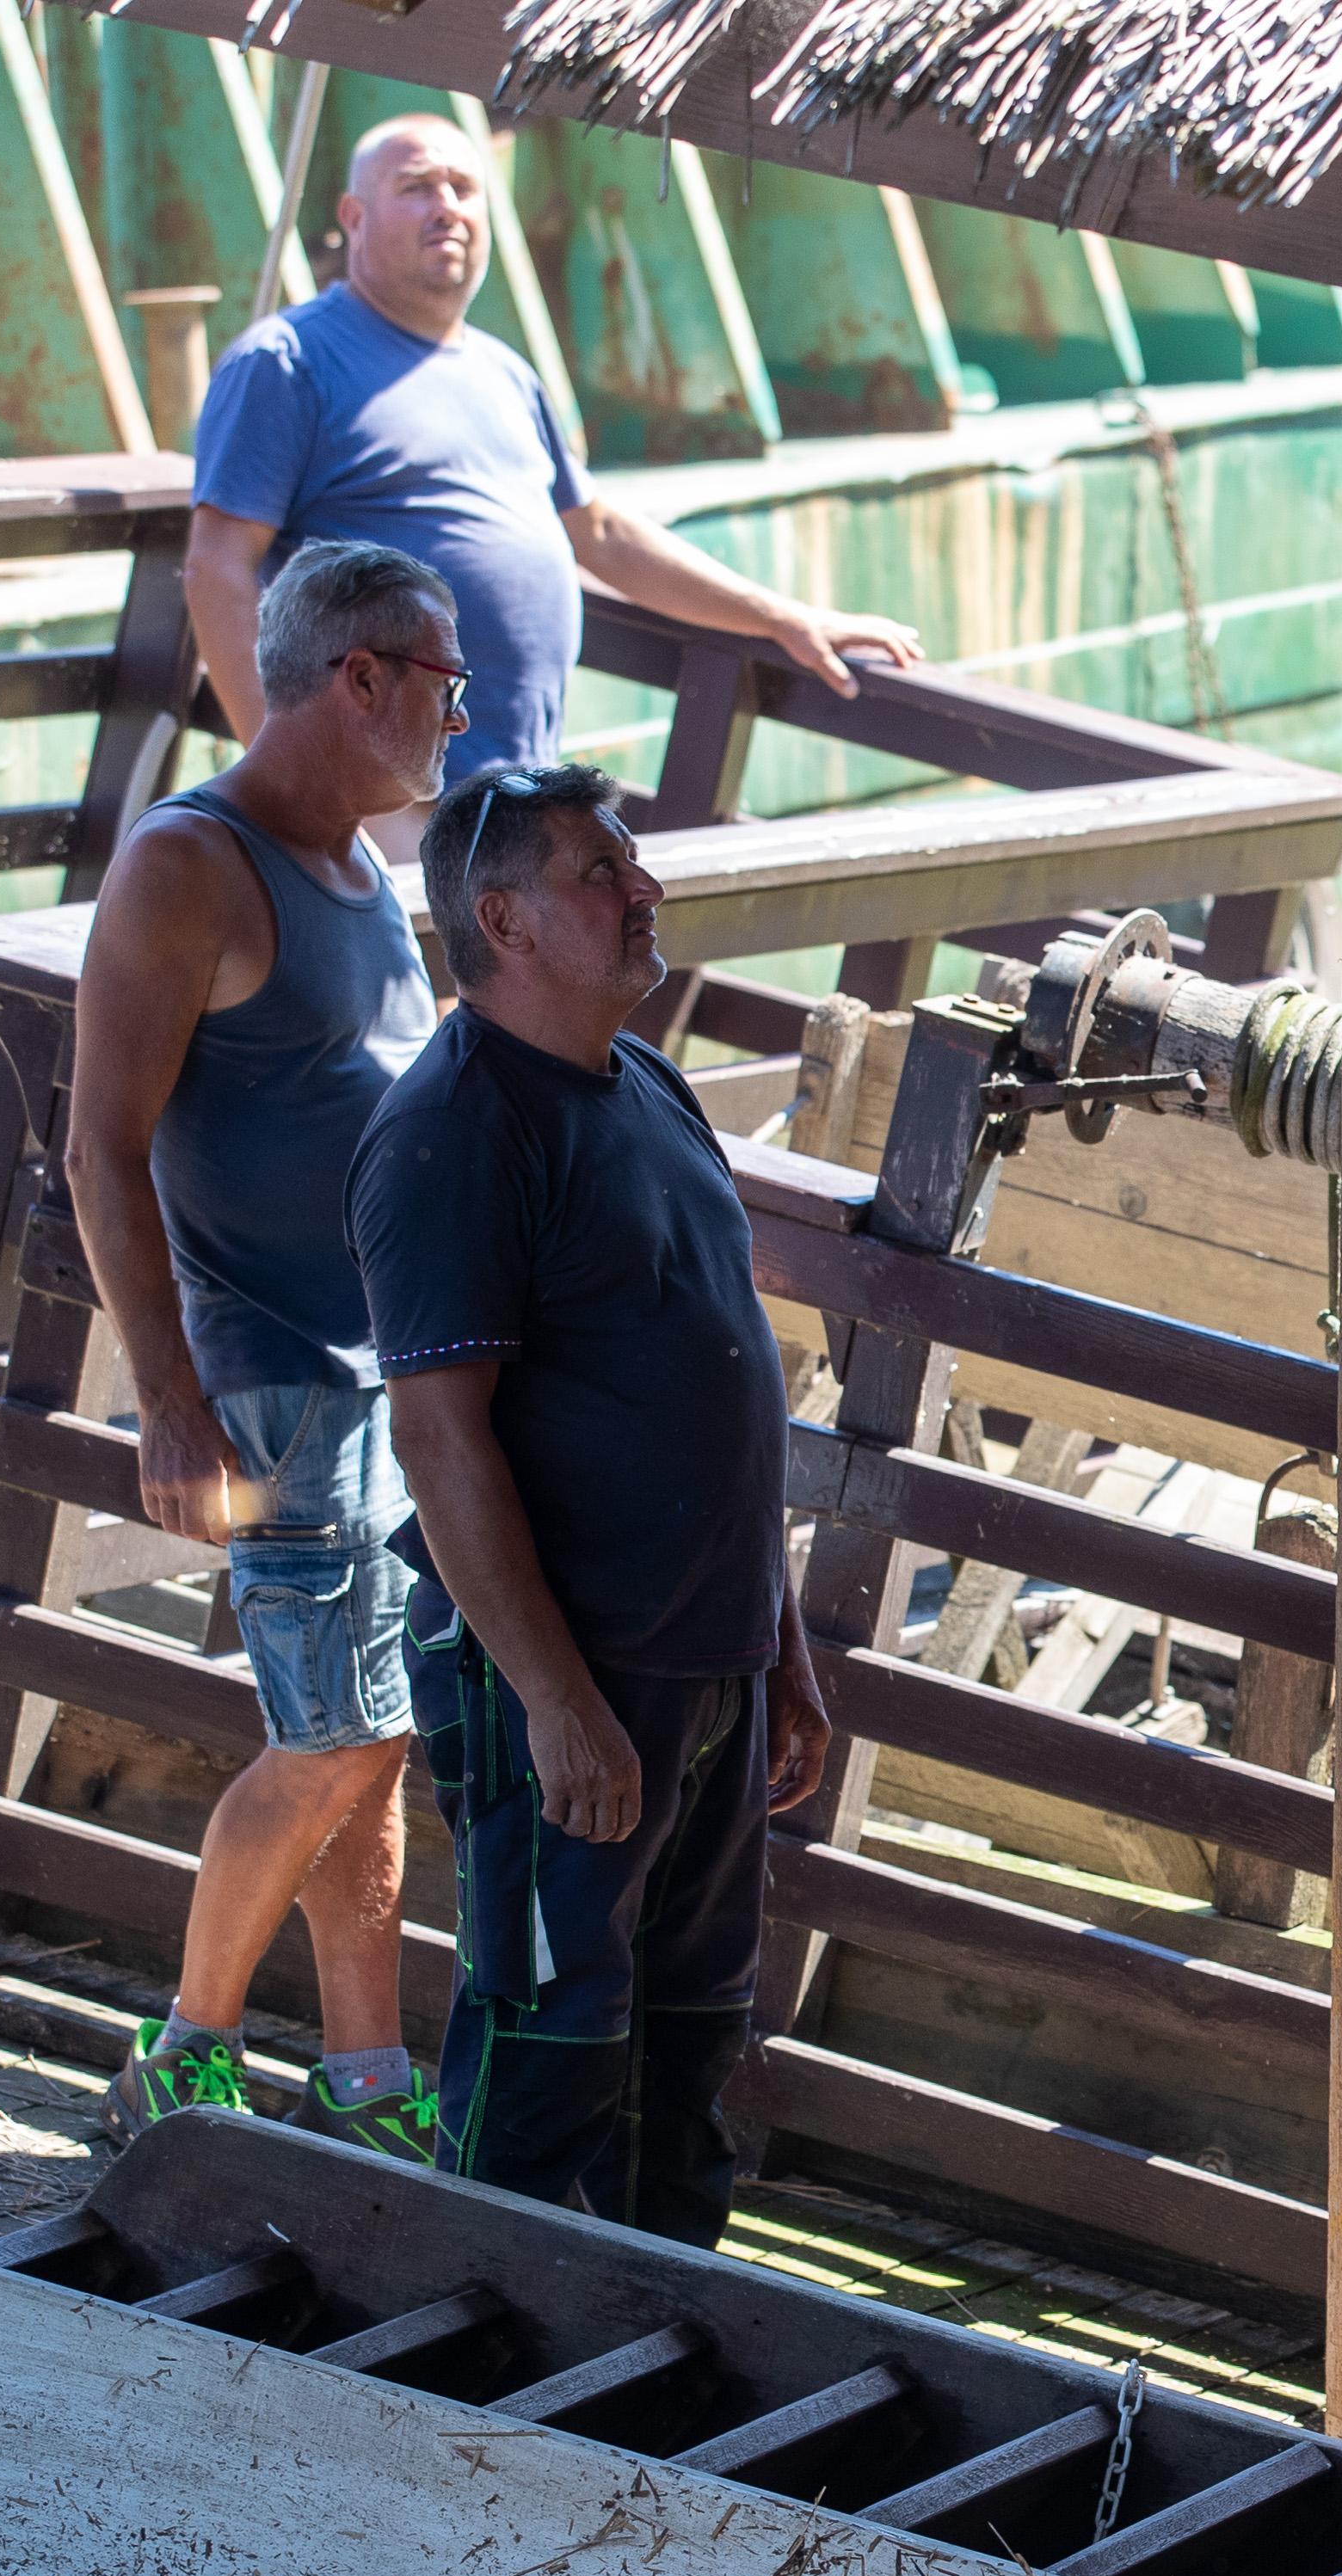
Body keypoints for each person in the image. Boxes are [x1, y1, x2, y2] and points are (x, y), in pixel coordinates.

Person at [350, 761, 829, 2238]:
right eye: (599, 874)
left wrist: (782, 1650)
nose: (645, 891)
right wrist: (554, 1699)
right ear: (503, 919)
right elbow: (442, 1442)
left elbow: (718, 1382)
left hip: (708, 1660)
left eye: (633, 865)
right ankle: (475, 2358)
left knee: (687, 2044)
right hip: (573, 1668)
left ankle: (657, 2375)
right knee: (551, 2043)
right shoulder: (451, 1133)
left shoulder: (650, 1086)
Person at [72, 539, 459, 2159]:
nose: (457, 712)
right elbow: (100, 1142)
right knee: (338, 1732)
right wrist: (168, 1399)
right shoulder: (194, 861)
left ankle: (363, 2076)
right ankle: (183, 2050)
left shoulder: (367, 872)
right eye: (437, 681)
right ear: (356, 679)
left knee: (372, 1743)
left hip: (399, 1377)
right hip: (281, 1375)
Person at [187, 115, 920, 812]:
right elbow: (217, 568)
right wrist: (292, 791)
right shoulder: (286, 363)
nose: (446, 208)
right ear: (352, 217)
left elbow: (598, 534)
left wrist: (780, 618)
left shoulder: (505, 374)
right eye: (416, 187)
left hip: (509, 798)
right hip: (383, 803)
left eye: (464, 189)